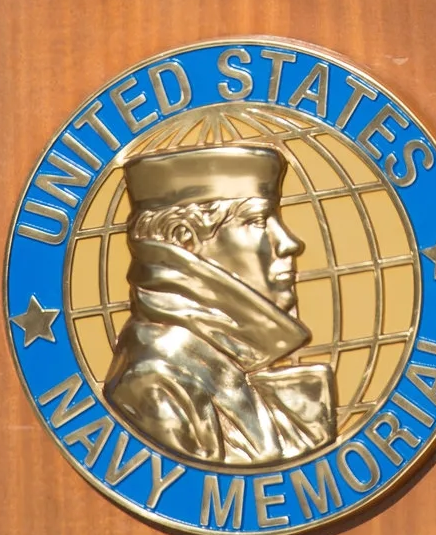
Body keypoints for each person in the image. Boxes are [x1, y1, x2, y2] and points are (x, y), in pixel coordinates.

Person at [100, 146, 335, 466]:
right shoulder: (156, 384)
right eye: (258, 220)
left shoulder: (215, 362)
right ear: (184, 239)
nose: (290, 242)